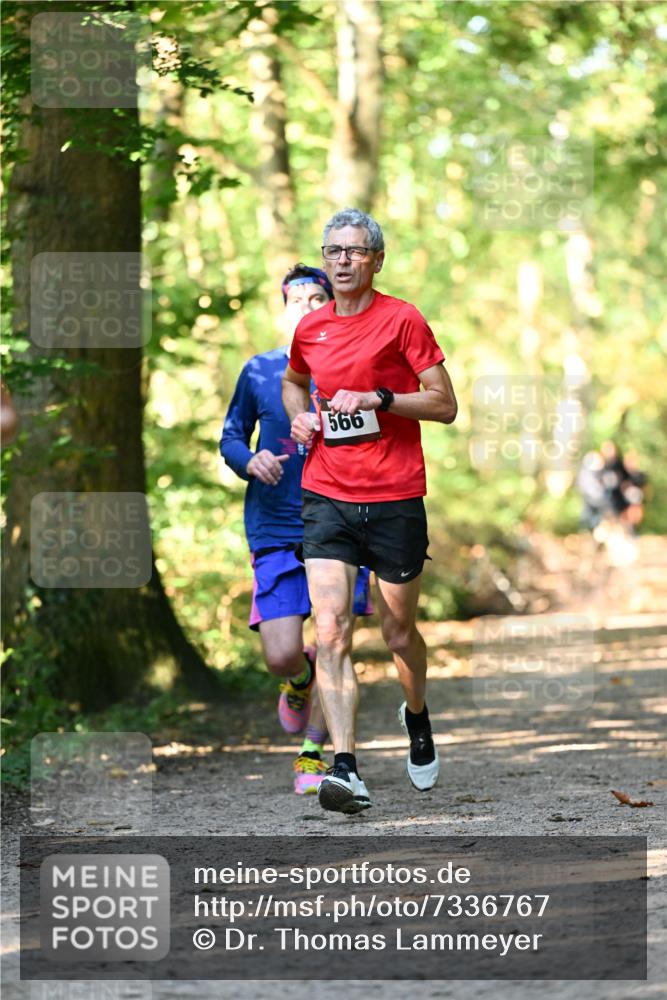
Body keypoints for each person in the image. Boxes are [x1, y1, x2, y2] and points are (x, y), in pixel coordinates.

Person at [282, 209, 457, 814]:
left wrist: (381, 398)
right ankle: (346, 767)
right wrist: (299, 415)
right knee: (329, 628)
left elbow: (444, 404)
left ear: (376, 260)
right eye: (333, 251)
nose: (342, 261)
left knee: (397, 631)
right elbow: (293, 382)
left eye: (356, 251)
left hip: (395, 496)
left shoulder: (402, 319)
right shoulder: (311, 329)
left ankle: (417, 716)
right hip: (326, 491)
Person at [220, 264, 372, 795]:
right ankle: (299, 679)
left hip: (342, 517)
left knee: (334, 639)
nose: (306, 307)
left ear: (332, 305)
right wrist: (250, 459)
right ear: (283, 311)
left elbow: (378, 434)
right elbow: (230, 436)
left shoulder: (354, 367)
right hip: (275, 525)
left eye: (317, 299)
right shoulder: (260, 371)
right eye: (297, 300)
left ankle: (315, 755)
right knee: (282, 652)